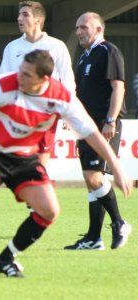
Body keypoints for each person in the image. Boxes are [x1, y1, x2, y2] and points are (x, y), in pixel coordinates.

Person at [0, 50, 132, 279]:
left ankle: (5, 258)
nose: (19, 77)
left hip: (24, 159)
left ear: (44, 79)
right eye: (20, 71)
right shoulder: (5, 84)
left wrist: (117, 167)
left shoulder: (60, 97)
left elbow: (91, 133)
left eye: (26, 75)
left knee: (49, 210)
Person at [64, 12, 132, 250]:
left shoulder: (108, 50)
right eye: (77, 27)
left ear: (98, 29)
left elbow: (118, 88)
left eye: (84, 27)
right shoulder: (84, 58)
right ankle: (94, 238)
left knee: (94, 177)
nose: (79, 31)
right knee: (91, 179)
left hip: (103, 124)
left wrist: (110, 120)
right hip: (86, 126)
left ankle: (119, 222)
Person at [0, 1, 75, 166]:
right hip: (19, 114)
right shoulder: (12, 48)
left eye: (25, 15)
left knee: (39, 165)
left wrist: (69, 113)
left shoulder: (57, 46)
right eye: (19, 14)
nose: (19, 18)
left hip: (46, 113)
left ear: (39, 20)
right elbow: (2, 81)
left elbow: (68, 79)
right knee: (20, 167)